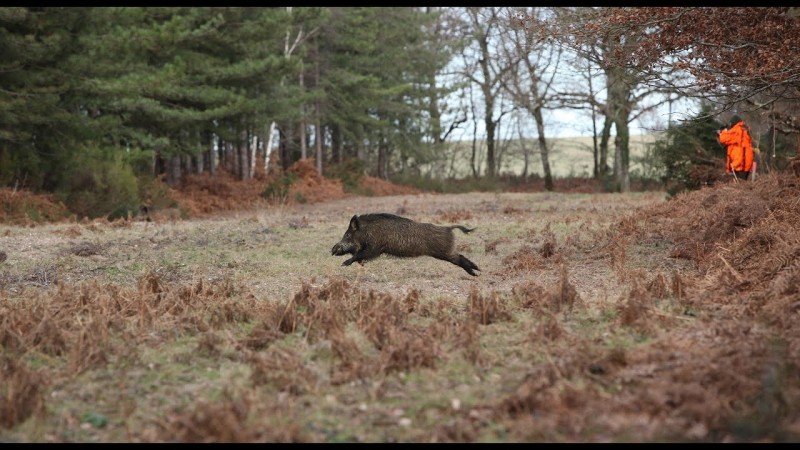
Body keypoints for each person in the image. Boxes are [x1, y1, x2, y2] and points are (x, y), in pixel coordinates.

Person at [717, 115, 754, 181]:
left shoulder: (737, 130)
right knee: (742, 185)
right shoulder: (744, 130)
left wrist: (722, 132)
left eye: (731, 123)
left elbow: (723, 139)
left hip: (739, 164)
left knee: (738, 186)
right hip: (745, 164)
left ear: (734, 123)